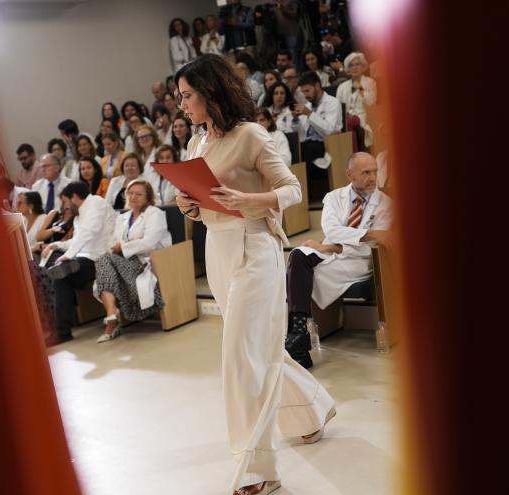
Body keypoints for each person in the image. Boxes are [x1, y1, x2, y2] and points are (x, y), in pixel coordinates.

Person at [174, 54, 335, 495]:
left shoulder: (251, 135)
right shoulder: (195, 145)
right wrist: (188, 204)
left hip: (255, 247)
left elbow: (292, 189)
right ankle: (314, 409)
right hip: (218, 249)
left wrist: (253, 200)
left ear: (210, 92)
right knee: (258, 348)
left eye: (188, 96)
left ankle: (257, 468)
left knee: (240, 357)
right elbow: (199, 197)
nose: (183, 104)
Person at [284, 152, 393, 366]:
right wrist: (367, 234)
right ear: (350, 174)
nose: (373, 177)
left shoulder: (387, 205)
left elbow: (373, 247)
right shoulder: (334, 197)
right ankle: (299, 334)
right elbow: (331, 230)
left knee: (296, 277)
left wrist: (332, 245)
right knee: (297, 254)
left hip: (359, 262)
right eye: (366, 173)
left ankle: (297, 343)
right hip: (330, 251)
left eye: (375, 171)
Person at [93, 179, 173, 342]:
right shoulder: (122, 217)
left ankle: (112, 318)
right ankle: (111, 314)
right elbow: (111, 243)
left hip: (145, 264)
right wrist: (133, 242)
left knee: (103, 261)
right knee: (104, 260)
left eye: (139, 194)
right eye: (130, 193)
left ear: (148, 197)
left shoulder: (154, 214)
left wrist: (123, 246)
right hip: (120, 262)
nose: (133, 197)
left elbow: (149, 243)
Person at [41, 182, 117, 342]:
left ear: (74, 197)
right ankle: (62, 331)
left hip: (102, 258)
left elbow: (89, 233)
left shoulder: (96, 203)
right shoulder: (80, 215)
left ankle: (61, 332)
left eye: (65, 202)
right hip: (84, 257)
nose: (65, 207)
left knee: (63, 270)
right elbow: (77, 240)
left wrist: (68, 255)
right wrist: (58, 245)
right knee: (60, 277)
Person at [293, 71, 342, 201]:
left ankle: (304, 197)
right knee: (295, 151)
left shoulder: (333, 102)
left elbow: (329, 131)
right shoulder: (308, 106)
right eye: (303, 92)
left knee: (304, 151)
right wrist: (295, 121)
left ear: (318, 86)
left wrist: (310, 114)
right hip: (309, 144)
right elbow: (303, 134)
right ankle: (300, 200)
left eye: (308, 91)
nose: (306, 95)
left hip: (328, 144)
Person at [336, 52, 378, 148]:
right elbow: (338, 108)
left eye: (357, 64)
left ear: (363, 66)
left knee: (349, 123)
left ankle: (353, 153)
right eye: (351, 65)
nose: (354, 68)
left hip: (365, 117)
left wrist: (361, 89)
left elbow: (371, 103)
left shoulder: (370, 82)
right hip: (346, 118)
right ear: (348, 69)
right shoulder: (342, 87)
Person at [275, 0, 303, 71]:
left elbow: (294, 14)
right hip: (280, 34)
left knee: (293, 55)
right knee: (283, 56)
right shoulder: (276, 3)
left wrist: (282, 9)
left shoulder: (292, 2)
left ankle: (295, 72)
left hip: (291, 32)